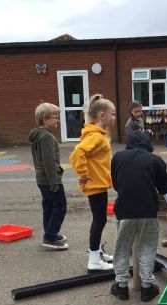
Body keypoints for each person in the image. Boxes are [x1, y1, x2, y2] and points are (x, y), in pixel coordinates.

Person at [110, 130, 167, 301]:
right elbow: (164, 189)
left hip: (124, 210)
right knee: (147, 247)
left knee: (122, 247)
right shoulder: (155, 160)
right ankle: (147, 288)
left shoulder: (117, 157)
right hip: (148, 210)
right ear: (148, 143)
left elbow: (116, 185)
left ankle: (121, 287)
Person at [69, 94, 115, 272]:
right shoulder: (96, 136)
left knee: (100, 219)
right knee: (99, 220)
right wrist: (83, 174)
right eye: (112, 114)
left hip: (99, 184)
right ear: (102, 115)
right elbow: (77, 153)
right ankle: (94, 260)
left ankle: (97, 252)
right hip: (95, 185)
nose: (114, 117)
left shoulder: (99, 134)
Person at [29, 102, 68, 250]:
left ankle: (50, 233)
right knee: (60, 206)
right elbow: (49, 161)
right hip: (50, 180)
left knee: (49, 206)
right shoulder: (46, 137)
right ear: (45, 119)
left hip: (42, 179)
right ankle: (50, 238)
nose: (58, 120)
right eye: (55, 117)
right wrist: (54, 182)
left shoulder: (38, 135)